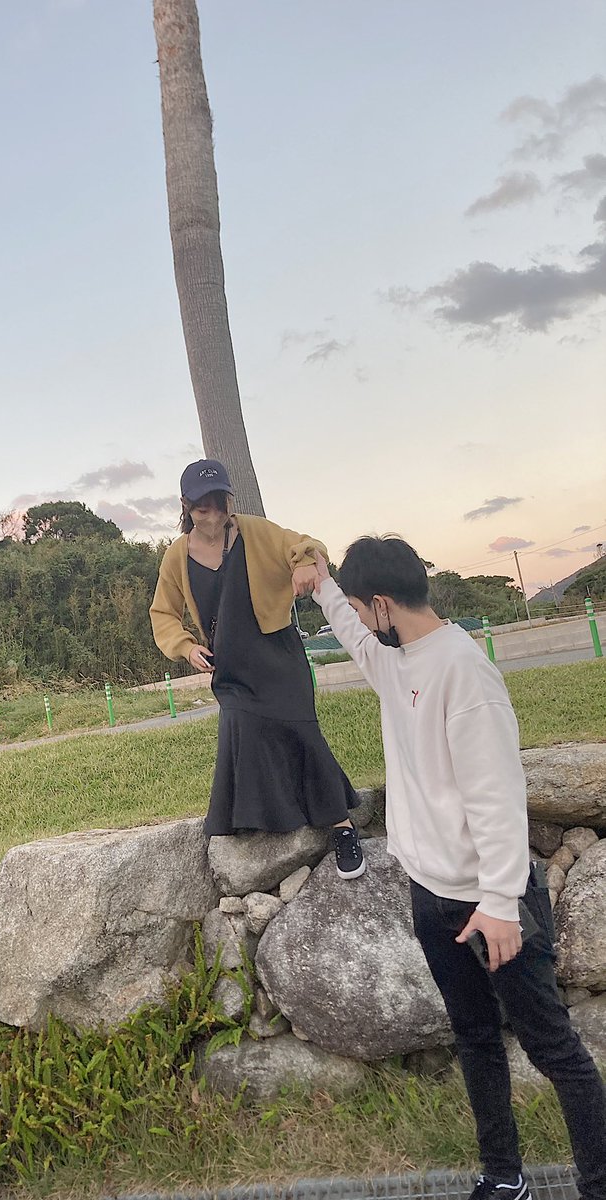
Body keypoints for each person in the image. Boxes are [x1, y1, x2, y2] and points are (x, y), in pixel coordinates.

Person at [309, 535, 606, 1200]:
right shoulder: (397, 657)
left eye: (361, 609)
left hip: (491, 902)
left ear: (384, 604)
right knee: (474, 1038)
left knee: (554, 1051)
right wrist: (323, 587)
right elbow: (356, 641)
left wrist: (500, 902)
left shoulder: (463, 672)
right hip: (431, 894)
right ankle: (503, 1178)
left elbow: (496, 794)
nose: (359, 622)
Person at [149, 459, 365, 879]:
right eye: (201, 508)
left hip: (278, 654)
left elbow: (304, 544)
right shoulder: (176, 556)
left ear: (230, 499)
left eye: (219, 503)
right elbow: (163, 614)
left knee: (302, 732)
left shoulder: (255, 530)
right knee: (243, 730)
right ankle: (262, 821)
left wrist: (304, 562)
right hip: (228, 664)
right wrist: (186, 647)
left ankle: (341, 827)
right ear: (185, 506)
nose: (212, 516)